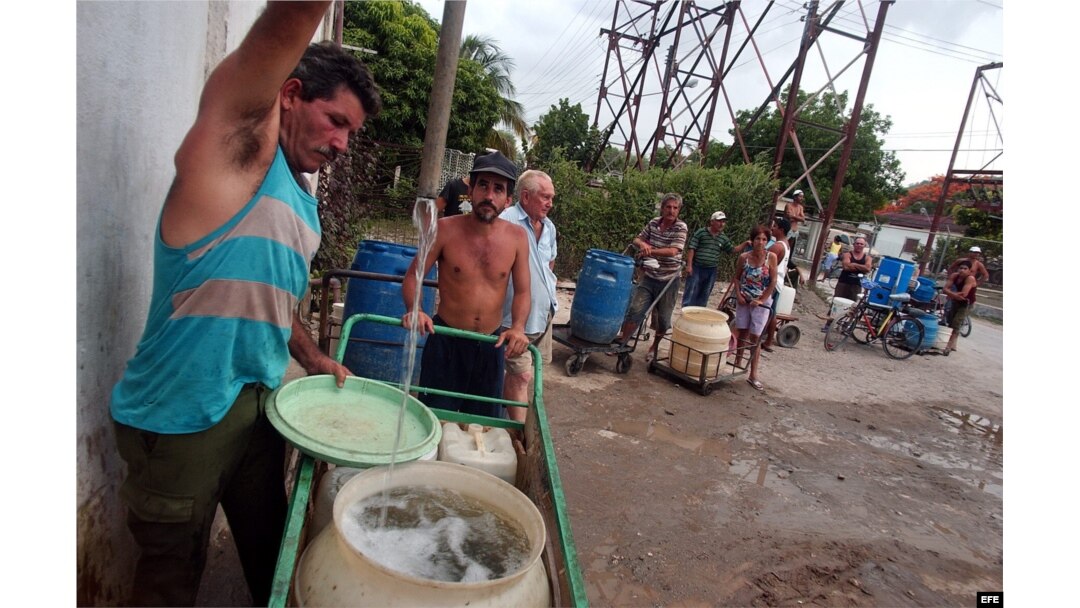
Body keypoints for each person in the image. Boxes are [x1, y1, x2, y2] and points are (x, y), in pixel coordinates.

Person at [108, 3, 379, 605]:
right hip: (181, 415)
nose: (340, 142)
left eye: (350, 133)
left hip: (259, 407)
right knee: (170, 577)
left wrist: (313, 359)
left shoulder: (302, 202)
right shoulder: (233, 161)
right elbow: (277, 35)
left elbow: (275, 306)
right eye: (334, 120)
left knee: (273, 550)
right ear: (288, 94)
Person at [401, 151, 531, 418]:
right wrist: (416, 308)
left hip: (490, 346)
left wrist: (518, 327)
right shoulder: (443, 229)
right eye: (483, 185)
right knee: (435, 421)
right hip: (446, 341)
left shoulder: (517, 238)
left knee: (482, 427)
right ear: (470, 189)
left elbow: (523, 291)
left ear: (508, 200)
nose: (489, 195)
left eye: (498, 189)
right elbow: (414, 276)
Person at [499, 170, 558, 422]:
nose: (550, 203)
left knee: (525, 375)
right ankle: (519, 436)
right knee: (521, 375)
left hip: (543, 316)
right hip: (515, 319)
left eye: (552, 198)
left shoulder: (549, 227)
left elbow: (549, 264)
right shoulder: (506, 222)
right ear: (525, 196)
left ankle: (504, 413)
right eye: (545, 197)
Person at [615, 193, 689, 362]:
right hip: (650, 275)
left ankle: (654, 347)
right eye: (668, 207)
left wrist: (651, 251)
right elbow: (637, 239)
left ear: (679, 210)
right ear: (662, 208)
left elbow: (673, 251)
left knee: (663, 319)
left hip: (669, 279)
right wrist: (643, 244)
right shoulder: (654, 223)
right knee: (635, 309)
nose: (671, 211)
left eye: (675, 208)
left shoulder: (681, 227)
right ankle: (623, 343)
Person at [732, 225, 778, 392]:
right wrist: (739, 295)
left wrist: (762, 300)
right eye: (758, 238)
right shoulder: (744, 257)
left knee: (755, 336)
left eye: (764, 239)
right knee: (741, 329)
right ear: (752, 240)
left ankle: (753, 374)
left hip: (761, 302)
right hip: (744, 298)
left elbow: (773, 281)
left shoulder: (771, 257)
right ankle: (737, 362)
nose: (760, 242)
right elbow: (737, 278)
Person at [681, 210, 735, 308]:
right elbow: (692, 248)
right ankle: (685, 313)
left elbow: (732, 250)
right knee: (690, 292)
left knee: (705, 294)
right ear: (712, 222)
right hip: (697, 267)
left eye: (723, 222)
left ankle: (699, 314)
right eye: (719, 221)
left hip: (711, 270)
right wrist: (689, 265)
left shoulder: (723, 238)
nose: (721, 224)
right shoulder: (701, 233)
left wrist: (746, 244)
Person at [760, 217, 791, 352]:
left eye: (775, 226)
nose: (772, 229)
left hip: (772, 282)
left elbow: (767, 265)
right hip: (778, 282)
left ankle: (766, 341)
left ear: (781, 229)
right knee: (772, 311)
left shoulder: (777, 246)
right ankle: (767, 340)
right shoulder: (786, 244)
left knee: (769, 311)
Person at [942, 260, 977, 353]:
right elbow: (944, 289)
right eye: (961, 268)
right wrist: (954, 295)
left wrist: (950, 294)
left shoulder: (970, 279)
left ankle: (948, 346)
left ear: (969, 271)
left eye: (965, 269)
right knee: (950, 321)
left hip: (967, 304)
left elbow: (964, 295)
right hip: (956, 301)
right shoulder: (954, 276)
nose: (962, 270)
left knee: (956, 322)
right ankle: (953, 345)